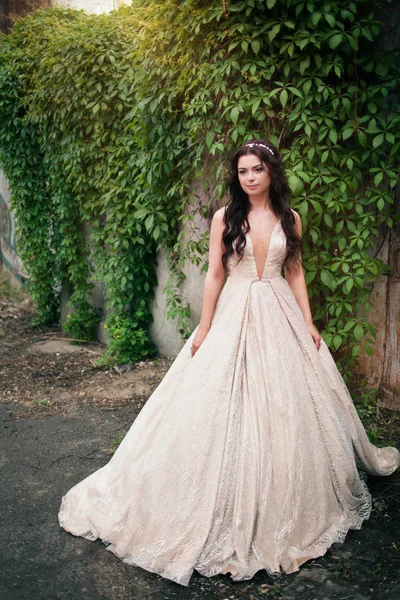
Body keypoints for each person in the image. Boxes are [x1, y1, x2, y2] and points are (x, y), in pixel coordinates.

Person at [58, 139, 399, 587]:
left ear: (271, 172)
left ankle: (284, 502)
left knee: (285, 401)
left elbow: (294, 270)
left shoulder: (290, 218)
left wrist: (309, 321)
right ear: (236, 177)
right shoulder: (225, 217)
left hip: (278, 311)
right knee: (216, 401)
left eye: (257, 169)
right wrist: (204, 326)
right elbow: (215, 274)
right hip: (234, 310)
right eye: (243, 171)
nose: (250, 177)